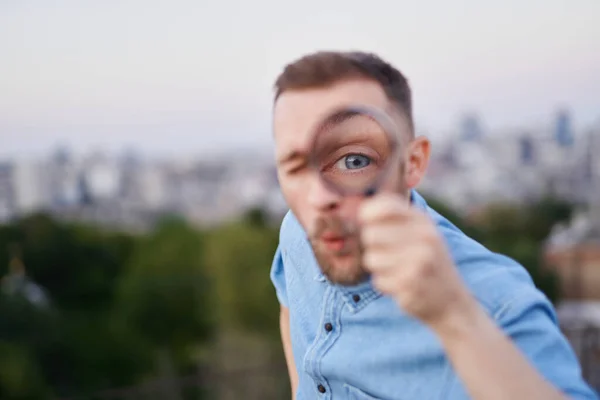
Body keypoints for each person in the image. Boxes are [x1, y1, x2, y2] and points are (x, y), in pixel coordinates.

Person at [269, 50, 598, 399]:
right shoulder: (298, 231)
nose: (319, 197)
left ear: (413, 163)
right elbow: (290, 307)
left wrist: (455, 317)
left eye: (354, 160)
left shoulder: (495, 305)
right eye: (297, 167)